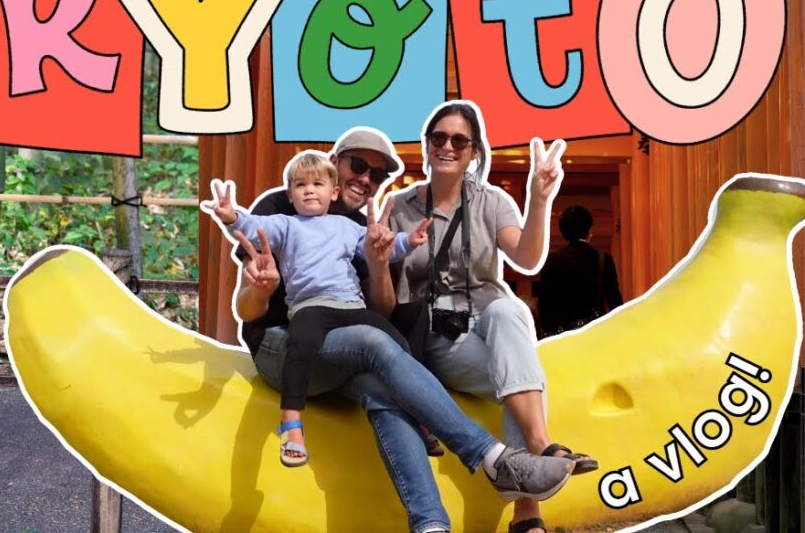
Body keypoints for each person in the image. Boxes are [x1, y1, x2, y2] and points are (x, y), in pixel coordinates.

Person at [232, 127, 575, 533]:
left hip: (341, 348)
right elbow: (247, 311)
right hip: (282, 345)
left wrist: (379, 263)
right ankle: (492, 457)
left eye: (377, 175)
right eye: (358, 165)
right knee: (371, 340)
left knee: (383, 386)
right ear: (335, 163)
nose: (365, 179)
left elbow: (380, 310)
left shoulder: (363, 227)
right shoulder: (283, 206)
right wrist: (262, 289)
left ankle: (430, 524)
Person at [381, 101, 597, 533]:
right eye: (439, 137)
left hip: (489, 318)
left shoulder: (490, 200)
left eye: (459, 140)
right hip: (437, 334)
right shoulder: (398, 206)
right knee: (524, 376)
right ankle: (529, 503)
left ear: (474, 152)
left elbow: (527, 257)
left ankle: (538, 449)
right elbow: (385, 295)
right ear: (427, 145)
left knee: (508, 309)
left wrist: (539, 199)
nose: (447, 146)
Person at [202, 151, 430, 467]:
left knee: (398, 340)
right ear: (291, 194)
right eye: (301, 185)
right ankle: (291, 422)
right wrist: (231, 217)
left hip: (349, 307)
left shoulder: (348, 226)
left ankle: (420, 411)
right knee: (302, 339)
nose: (309, 190)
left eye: (317, 184)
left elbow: (381, 249)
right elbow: (254, 228)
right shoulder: (284, 221)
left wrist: (409, 241)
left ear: (332, 191)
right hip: (308, 309)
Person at [537, 205, 624, 336]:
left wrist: (550, 331)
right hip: (595, 333)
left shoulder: (551, 260)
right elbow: (615, 302)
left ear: (563, 231)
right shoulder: (603, 259)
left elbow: (544, 305)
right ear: (589, 230)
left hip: (562, 334)